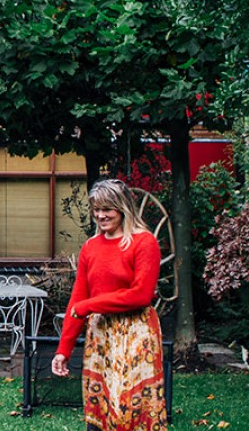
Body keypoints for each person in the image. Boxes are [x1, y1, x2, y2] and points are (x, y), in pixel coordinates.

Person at [51, 178, 165, 430]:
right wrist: (63, 350)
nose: (101, 216)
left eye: (107, 209)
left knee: (132, 407)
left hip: (137, 332)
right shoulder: (90, 247)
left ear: (123, 208)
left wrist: (91, 305)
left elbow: (140, 295)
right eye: (96, 209)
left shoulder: (144, 242)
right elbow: (77, 300)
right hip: (100, 334)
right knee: (98, 404)